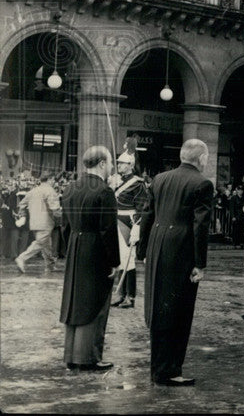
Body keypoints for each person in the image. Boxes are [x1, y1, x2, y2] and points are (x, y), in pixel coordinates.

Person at [136, 138, 213, 387]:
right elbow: (200, 226)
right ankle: (170, 370)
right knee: (179, 311)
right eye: (207, 157)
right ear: (200, 158)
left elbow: (147, 214)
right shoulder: (202, 183)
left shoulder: (160, 179)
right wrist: (200, 263)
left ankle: (158, 368)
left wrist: (143, 250)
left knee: (159, 307)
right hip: (181, 249)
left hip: (158, 245)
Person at [60, 146, 119, 371]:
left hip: (75, 246)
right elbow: (108, 230)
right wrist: (114, 261)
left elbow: (64, 225)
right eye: (111, 162)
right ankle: (89, 357)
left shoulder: (70, 187)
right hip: (95, 249)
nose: (112, 166)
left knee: (75, 301)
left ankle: (71, 355)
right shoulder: (105, 192)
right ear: (102, 164)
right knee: (96, 303)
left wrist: (73, 246)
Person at [109, 151, 149, 308]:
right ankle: (121, 294)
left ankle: (130, 297)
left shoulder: (137, 184)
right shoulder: (117, 181)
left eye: (122, 163)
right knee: (121, 259)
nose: (119, 165)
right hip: (117, 219)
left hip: (128, 222)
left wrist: (137, 227)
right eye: (118, 163)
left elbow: (142, 207)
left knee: (128, 260)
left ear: (131, 165)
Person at [14, 170, 63, 274]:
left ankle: (50, 266)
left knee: (46, 244)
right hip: (46, 223)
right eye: (54, 180)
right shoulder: (50, 191)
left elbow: (21, 204)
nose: (54, 182)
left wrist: (22, 216)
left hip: (34, 223)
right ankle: (21, 258)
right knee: (40, 243)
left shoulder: (33, 191)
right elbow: (55, 210)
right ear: (50, 179)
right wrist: (64, 214)